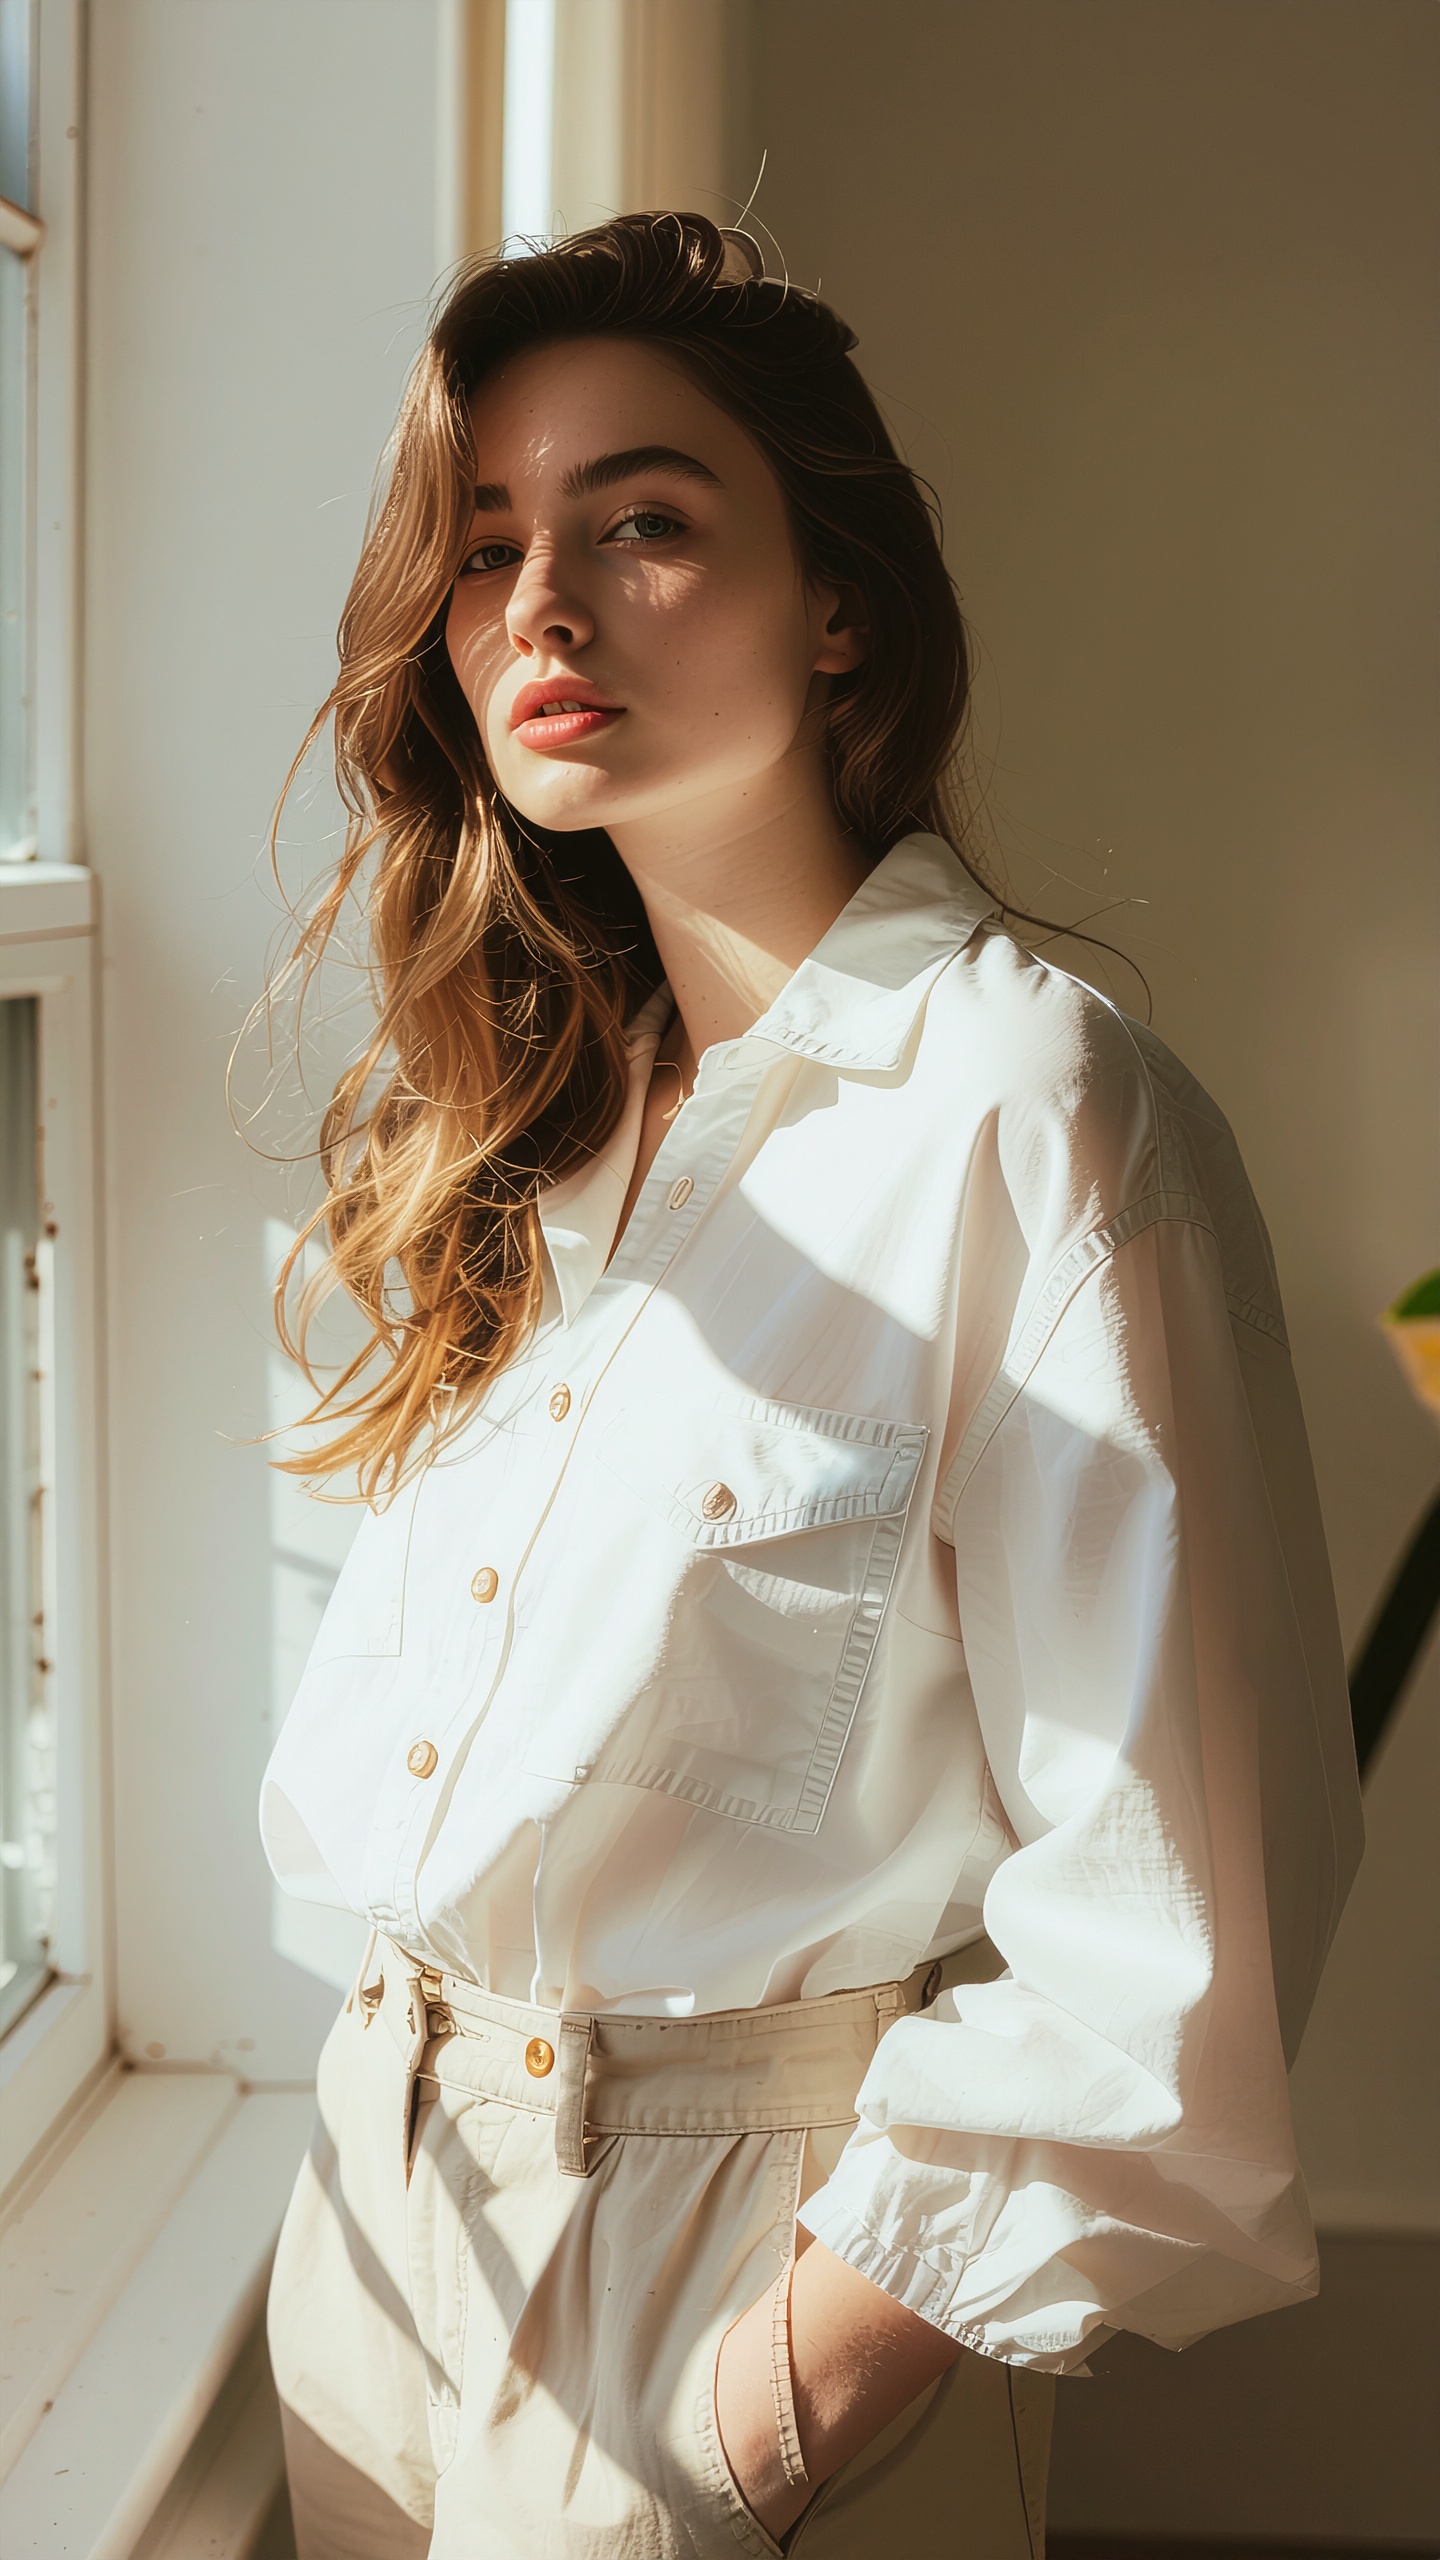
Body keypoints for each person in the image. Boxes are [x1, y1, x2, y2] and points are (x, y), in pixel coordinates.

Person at [258, 212, 1362, 2560]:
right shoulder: (518, 1129)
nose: (543, 603)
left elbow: (1185, 1902)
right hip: (373, 2228)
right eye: (486, 546)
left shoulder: (1037, 1107)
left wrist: (760, 2418)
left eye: (644, 521)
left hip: (734, 2283)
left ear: (833, 600)